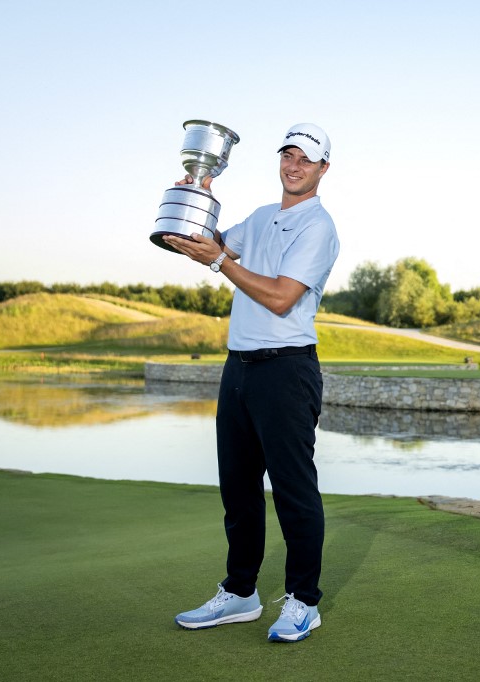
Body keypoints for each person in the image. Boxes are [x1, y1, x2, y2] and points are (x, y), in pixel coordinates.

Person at [166, 122, 340, 643]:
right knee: (238, 490)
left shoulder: (319, 225)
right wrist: (198, 195)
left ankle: (303, 602)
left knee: (293, 492)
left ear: (322, 169)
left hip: (287, 369)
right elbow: (212, 244)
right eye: (288, 156)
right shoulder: (263, 217)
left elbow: (282, 296)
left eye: (305, 160)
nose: (293, 166)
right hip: (238, 367)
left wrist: (219, 261)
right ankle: (240, 593)